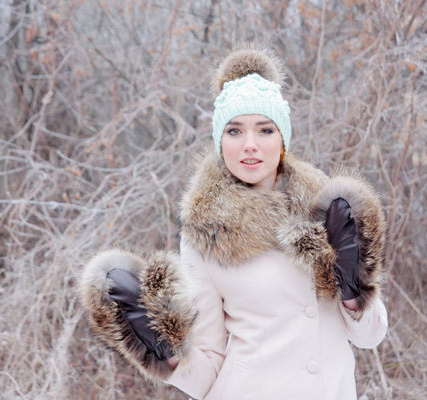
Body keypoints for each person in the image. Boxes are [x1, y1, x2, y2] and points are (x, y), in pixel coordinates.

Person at [79, 45, 388, 400]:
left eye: (265, 130)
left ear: (283, 138)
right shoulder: (206, 233)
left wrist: (354, 291)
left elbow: (370, 336)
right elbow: (209, 367)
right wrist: (166, 354)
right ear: (220, 140)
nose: (250, 146)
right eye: (235, 131)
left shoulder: (330, 212)